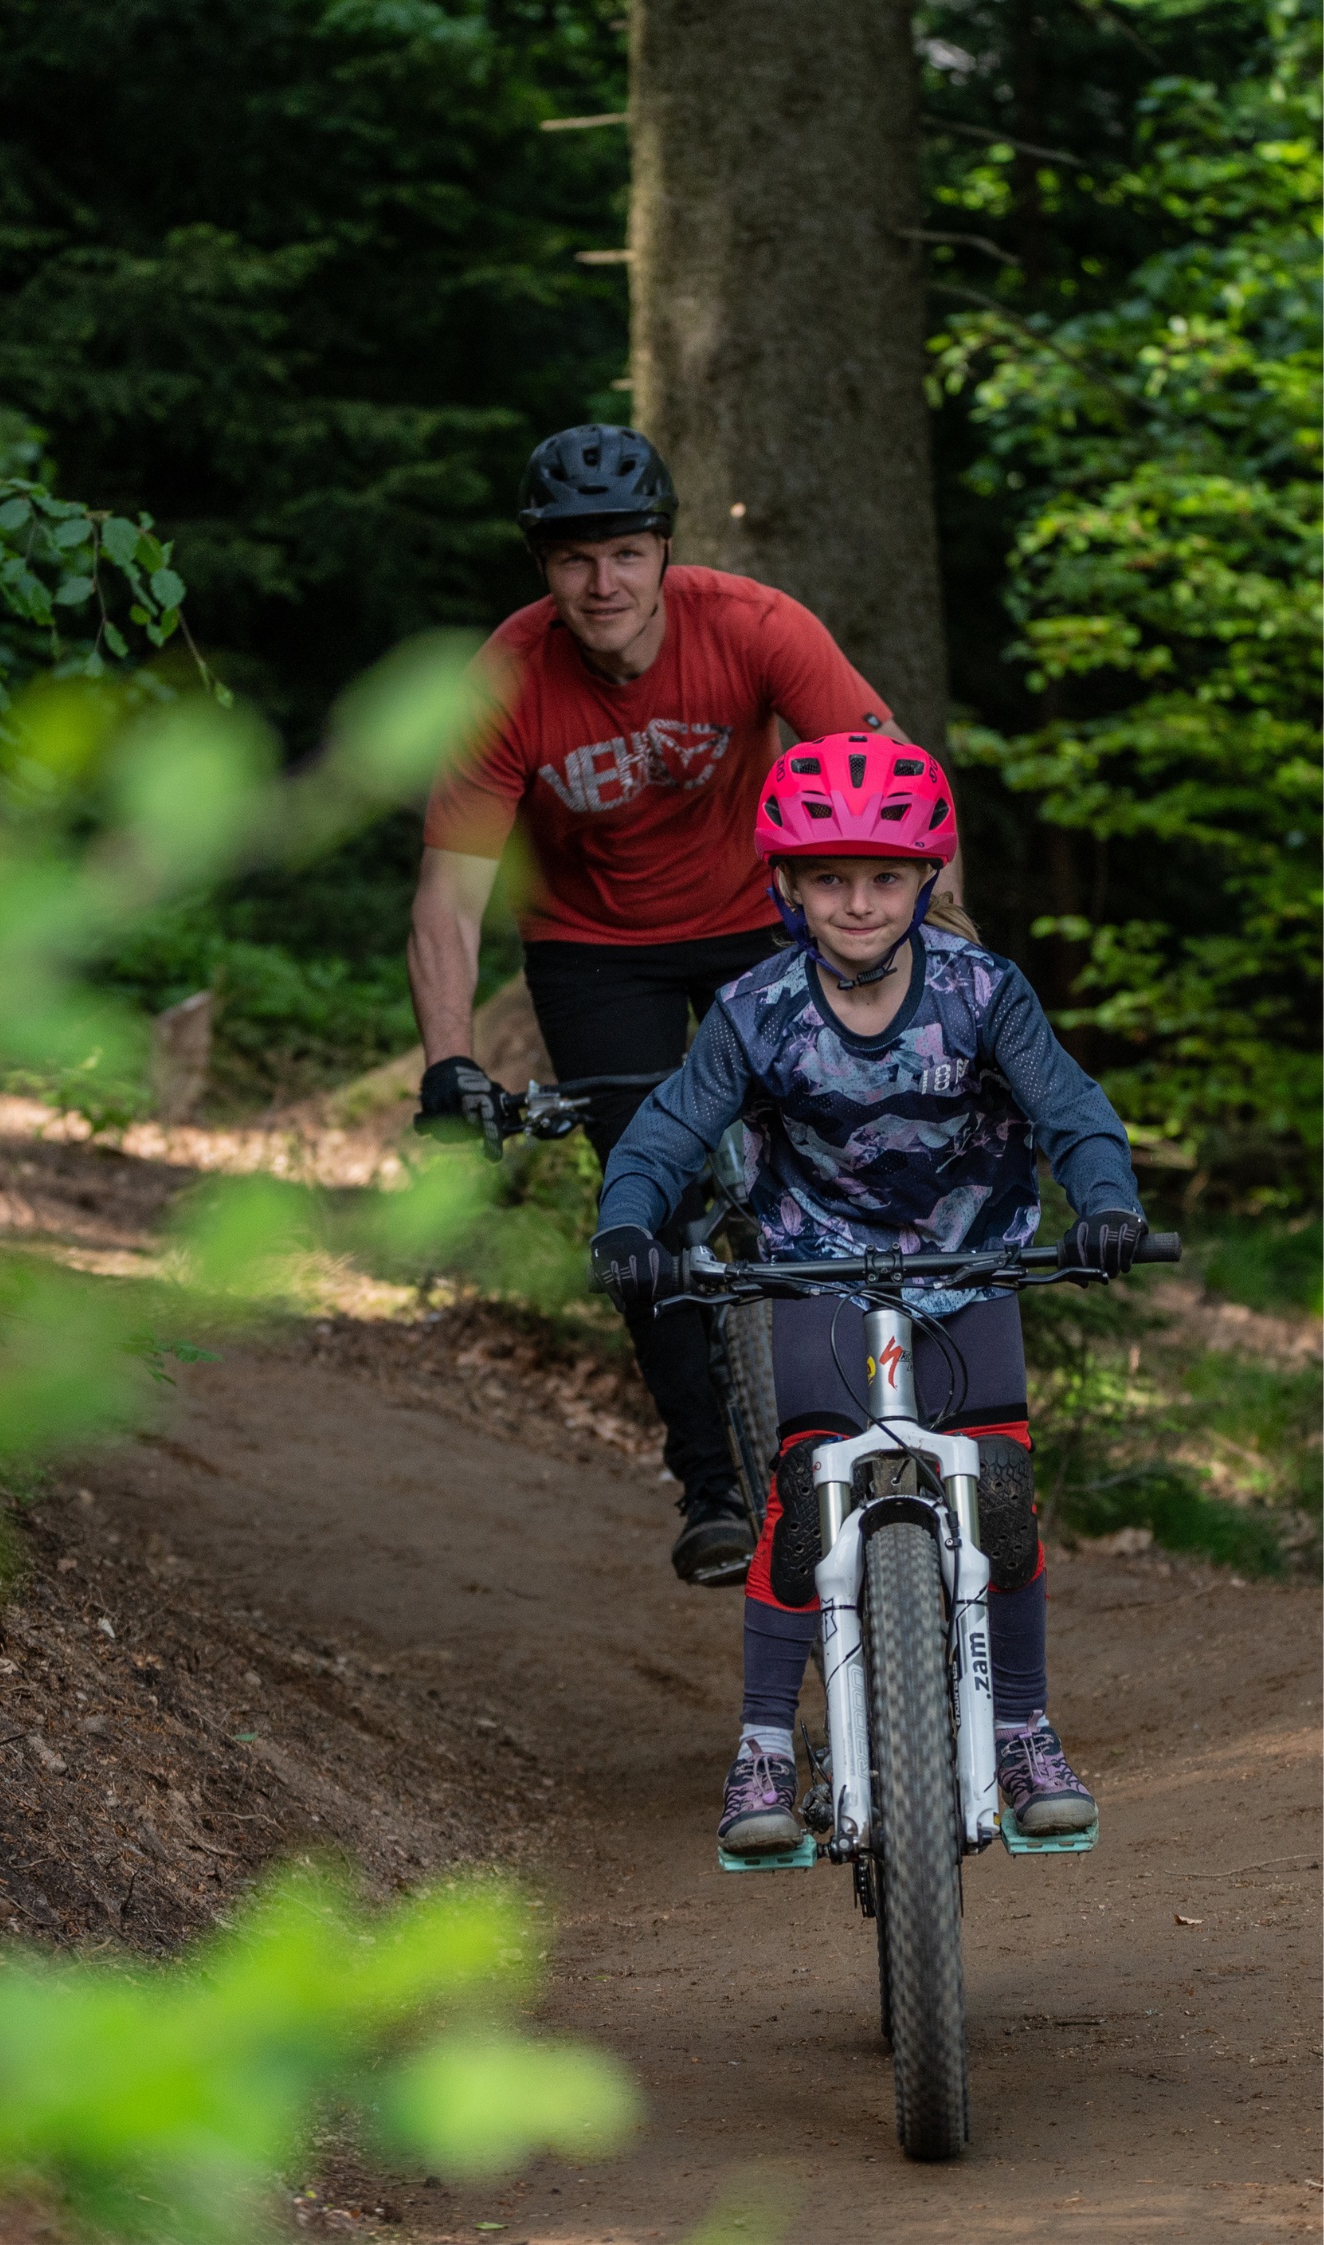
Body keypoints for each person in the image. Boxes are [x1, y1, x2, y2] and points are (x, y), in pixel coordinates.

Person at [409, 422, 957, 1587]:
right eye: (573, 560)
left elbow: (892, 786)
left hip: (760, 920)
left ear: (663, 551)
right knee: (645, 1199)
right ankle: (711, 1478)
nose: (602, 583)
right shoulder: (505, 682)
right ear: (543, 569)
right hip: (594, 949)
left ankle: (903, 1411)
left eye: (624, 553)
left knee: (854, 1136)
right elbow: (448, 899)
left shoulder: (755, 627)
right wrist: (449, 1061)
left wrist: (959, 976)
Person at [588, 735, 1146, 1841]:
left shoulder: (984, 992)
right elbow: (664, 1131)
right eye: (830, 878)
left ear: (925, 880)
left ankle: (1022, 1730)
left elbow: (1071, 1110)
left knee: (1003, 1501)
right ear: (786, 885)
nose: (858, 902)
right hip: (819, 1266)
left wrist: (1108, 1203)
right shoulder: (756, 1009)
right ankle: (760, 1749)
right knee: (805, 1499)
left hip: (970, 1262)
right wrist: (626, 1221)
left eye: (884, 876)